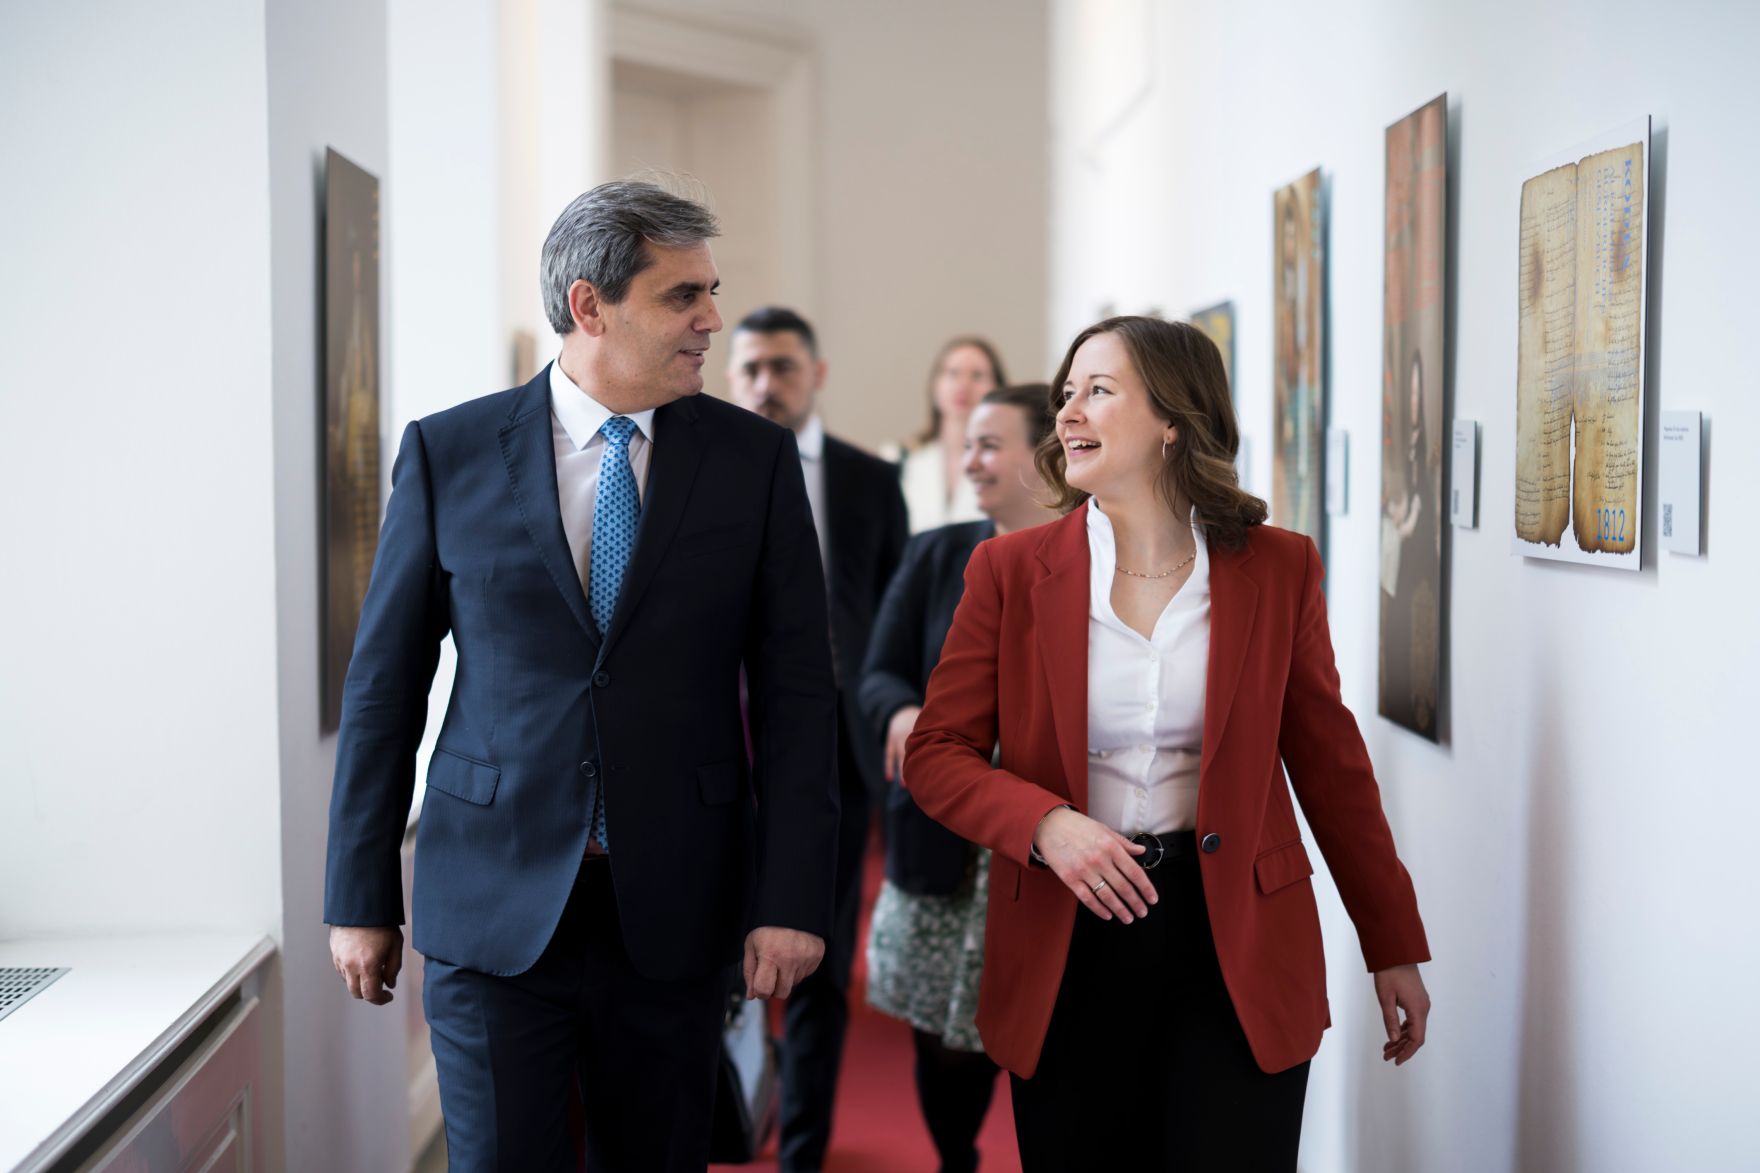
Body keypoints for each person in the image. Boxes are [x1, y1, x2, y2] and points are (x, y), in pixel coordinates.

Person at [324, 181, 840, 1172]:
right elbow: (383, 687)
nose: (711, 320)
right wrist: (359, 893)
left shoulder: (753, 463)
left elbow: (795, 699)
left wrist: (790, 895)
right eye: (682, 296)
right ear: (590, 306)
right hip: (490, 901)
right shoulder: (448, 452)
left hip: (676, 906)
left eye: (711, 290)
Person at [904, 316, 1433, 1171]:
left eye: (1098, 390)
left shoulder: (1279, 567)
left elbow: (1334, 769)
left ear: (1172, 419)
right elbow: (935, 753)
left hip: (1237, 944)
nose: (1068, 410)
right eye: (1066, 392)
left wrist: (1392, 941)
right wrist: (1045, 823)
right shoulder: (1008, 572)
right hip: (1067, 935)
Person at [725, 305, 908, 1173]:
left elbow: (896, 623)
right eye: (752, 367)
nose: (767, 384)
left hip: (834, 751)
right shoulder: (698, 467)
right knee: (711, 950)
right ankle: (732, 1116)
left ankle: (801, 1149)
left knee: (820, 956)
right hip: (715, 745)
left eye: (783, 368)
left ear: (817, 374)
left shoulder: (871, 481)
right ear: (732, 375)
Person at [860, 384, 1058, 1173]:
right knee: (946, 1041)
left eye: (987, 444)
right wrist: (904, 712)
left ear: (1043, 456)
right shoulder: (938, 552)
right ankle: (955, 1158)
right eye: (966, 443)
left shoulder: (1099, 559)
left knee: (1053, 1033)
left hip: (1052, 842)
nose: (968, 459)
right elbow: (876, 672)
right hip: (946, 839)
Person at [890, 336, 1008, 533]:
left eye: (977, 375)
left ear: (998, 390)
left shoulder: (1008, 465)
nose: (963, 385)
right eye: (953, 374)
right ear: (934, 385)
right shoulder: (899, 458)